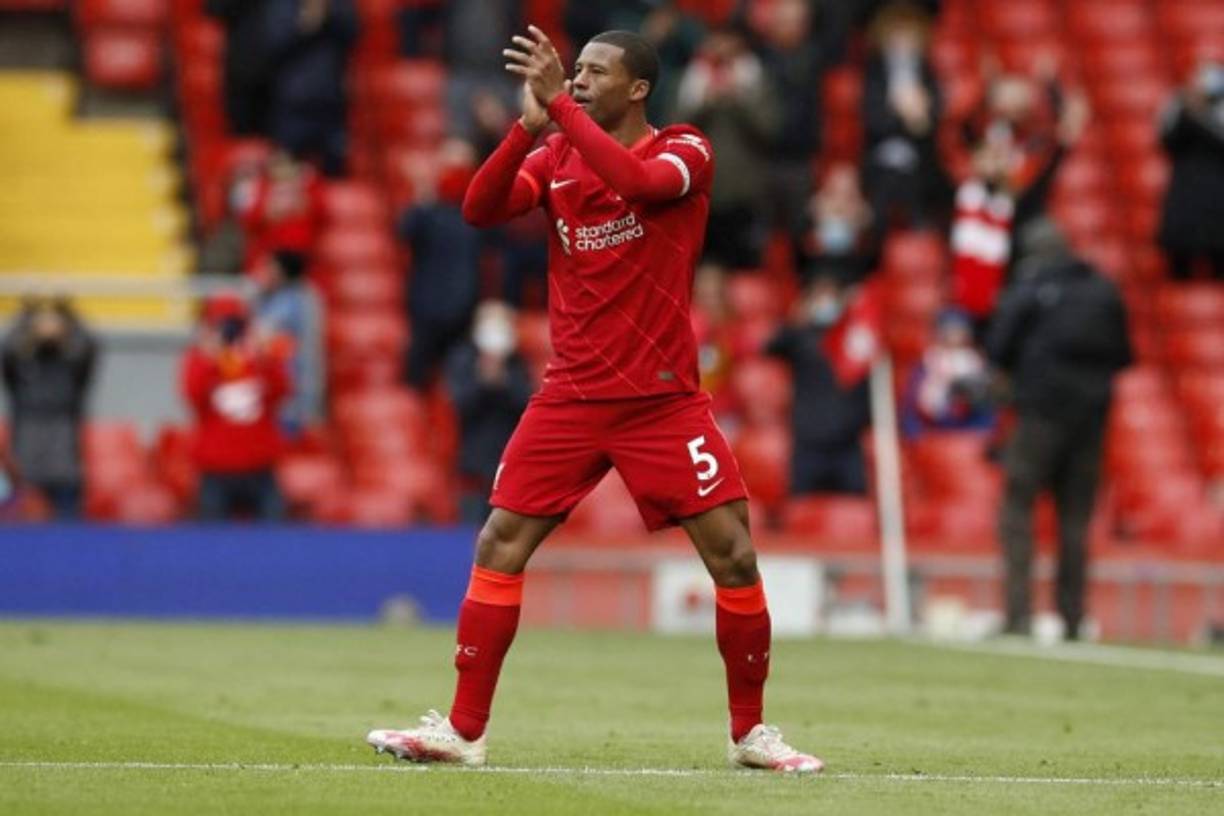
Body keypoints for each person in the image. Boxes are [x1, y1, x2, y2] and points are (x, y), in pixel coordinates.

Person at [365, 26, 822, 773]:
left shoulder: (687, 149)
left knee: (734, 556)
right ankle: (463, 730)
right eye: (573, 71)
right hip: (571, 395)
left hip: (662, 399)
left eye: (593, 72)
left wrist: (558, 112)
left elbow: (641, 188)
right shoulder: (557, 154)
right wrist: (526, 129)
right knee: (497, 543)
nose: (576, 81)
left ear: (638, 88)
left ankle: (751, 735)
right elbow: (480, 209)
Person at [987, 219, 1132, 640]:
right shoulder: (1103, 289)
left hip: (1039, 416)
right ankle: (1072, 617)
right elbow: (1123, 354)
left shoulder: (1031, 287)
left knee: (1017, 508)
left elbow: (999, 346)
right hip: (1090, 420)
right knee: (1075, 519)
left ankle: (1019, 616)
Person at [675, 26, 779, 271]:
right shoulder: (692, 78)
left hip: (746, 194)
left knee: (745, 268)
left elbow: (770, 131)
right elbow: (676, 130)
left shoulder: (758, 79)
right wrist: (706, 102)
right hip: (700, 193)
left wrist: (738, 99)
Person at [181, 292, 289, 522]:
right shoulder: (198, 360)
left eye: (234, 326)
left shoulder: (259, 361)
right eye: (219, 326)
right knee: (213, 548)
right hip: (215, 471)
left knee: (276, 545)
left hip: (260, 469)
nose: (229, 333)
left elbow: (282, 392)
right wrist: (209, 358)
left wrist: (266, 356)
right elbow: (193, 396)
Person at [764, 276, 871, 494]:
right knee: (800, 509)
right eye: (820, 296)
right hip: (808, 441)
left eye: (831, 296)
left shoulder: (854, 340)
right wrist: (796, 318)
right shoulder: (799, 336)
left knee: (855, 510)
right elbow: (770, 347)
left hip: (847, 443)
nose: (826, 303)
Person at [398, 138, 484, 389]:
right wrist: (423, 195)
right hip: (427, 309)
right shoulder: (428, 210)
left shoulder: (476, 211)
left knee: (456, 385)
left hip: (463, 311)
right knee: (415, 381)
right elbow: (405, 231)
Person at [1, 297, 96, 520]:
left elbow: (89, 347)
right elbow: (6, 350)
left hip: (66, 466)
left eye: (54, 322)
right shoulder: (22, 369)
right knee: (20, 537)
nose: (47, 327)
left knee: (70, 538)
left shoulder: (71, 367)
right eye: (42, 322)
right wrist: (26, 318)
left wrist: (69, 315)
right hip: (25, 468)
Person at [861, 1, 950, 232]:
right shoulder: (875, 72)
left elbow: (933, 119)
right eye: (897, 32)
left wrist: (920, 117)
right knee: (890, 178)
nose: (903, 40)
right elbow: (872, 119)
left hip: (920, 156)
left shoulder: (927, 72)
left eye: (909, 33)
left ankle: (919, 230)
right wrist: (900, 113)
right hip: (881, 153)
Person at [445, 301, 535, 524]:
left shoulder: (517, 363)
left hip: (508, 461)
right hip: (473, 463)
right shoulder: (463, 359)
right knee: (473, 530)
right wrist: (483, 381)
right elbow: (460, 405)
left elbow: (528, 406)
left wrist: (503, 380)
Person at [1158, 61, 1224, 281]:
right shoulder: (1179, 110)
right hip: (1186, 197)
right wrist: (1187, 112)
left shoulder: (1216, 114)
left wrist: (1199, 116)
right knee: (1179, 266)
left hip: (1217, 199)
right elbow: (1168, 142)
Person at [255, 250, 325, 436]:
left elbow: (262, 336)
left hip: (290, 393)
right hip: (281, 390)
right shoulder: (302, 297)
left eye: (270, 268)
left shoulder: (293, 303)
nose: (265, 273)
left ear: (282, 272)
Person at [900, 308, 993, 438]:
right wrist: (914, 429)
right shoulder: (927, 361)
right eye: (949, 330)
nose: (954, 336)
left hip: (967, 428)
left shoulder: (975, 363)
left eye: (959, 331)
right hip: (932, 427)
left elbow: (985, 404)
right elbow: (911, 401)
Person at [802, 162, 879, 285]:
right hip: (820, 267)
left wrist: (853, 211)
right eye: (839, 184)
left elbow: (868, 233)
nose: (843, 189)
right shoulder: (817, 204)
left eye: (849, 185)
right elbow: (806, 242)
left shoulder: (863, 208)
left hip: (853, 268)